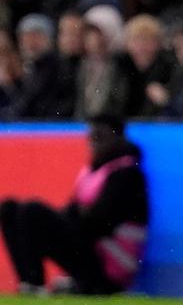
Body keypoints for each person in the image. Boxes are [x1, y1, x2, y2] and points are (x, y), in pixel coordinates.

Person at [0, 115, 148, 294]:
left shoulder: (127, 174)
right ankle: (29, 283)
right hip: (92, 251)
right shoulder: (93, 171)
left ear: (117, 138)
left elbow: (98, 224)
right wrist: (76, 215)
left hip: (109, 266)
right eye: (91, 137)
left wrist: (72, 216)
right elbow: (79, 215)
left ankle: (37, 283)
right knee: (9, 209)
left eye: (99, 137)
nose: (93, 143)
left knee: (33, 211)